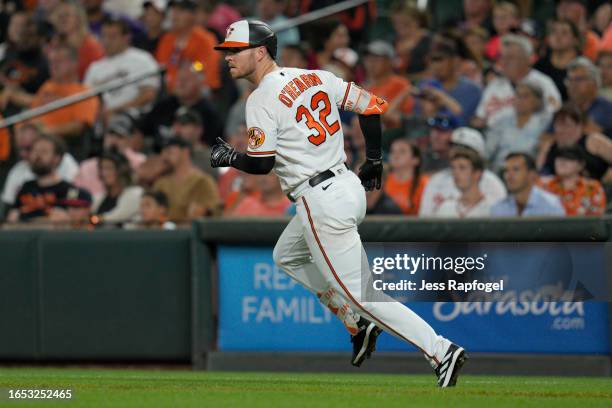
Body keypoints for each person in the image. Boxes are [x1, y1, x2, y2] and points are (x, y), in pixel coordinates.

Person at [210, 19, 467, 387]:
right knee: (286, 255)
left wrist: (230, 157)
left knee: (366, 295)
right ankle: (355, 322)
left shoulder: (261, 98)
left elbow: (262, 162)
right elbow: (373, 106)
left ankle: (441, 350)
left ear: (261, 51)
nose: (229, 57)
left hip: (320, 200)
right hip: (346, 185)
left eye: (236, 50)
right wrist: (375, 159)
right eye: (227, 51)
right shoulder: (317, 76)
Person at [28, 45, 100, 160]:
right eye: (51, 62)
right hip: (36, 145)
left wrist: (45, 131)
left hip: (65, 149)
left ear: (74, 63)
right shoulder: (47, 86)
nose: (54, 66)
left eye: (59, 61)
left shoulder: (84, 92)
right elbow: (31, 115)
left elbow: (79, 127)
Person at [474, 34, 561, 128]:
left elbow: (552, 113)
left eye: (511, 58)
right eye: (502, 57)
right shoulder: (495, 85)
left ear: (527, 60)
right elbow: (480, 117)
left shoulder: (543, 83)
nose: (504, 62)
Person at [84, 17, 160, 120]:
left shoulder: (142, 59)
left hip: (134, 117)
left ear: (126, 38)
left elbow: (148, 95)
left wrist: (117, 110)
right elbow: (87, 100)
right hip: (103, 120)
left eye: (112, 37)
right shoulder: (95, 67)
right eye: (104, 36)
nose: (106, 41)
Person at [419, 127, 506, 216]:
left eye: (464, 148)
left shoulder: (492, 183)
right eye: (453, 146)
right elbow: (425, 218)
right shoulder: (436, 180)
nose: (457, 151)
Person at [7, 134, 92, 223]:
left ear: (57, 158)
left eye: (44, 151)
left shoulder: (70, 191)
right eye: (34, 151)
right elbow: (12, 217)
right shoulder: (26, 187)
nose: (37, 156)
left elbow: (65, 222)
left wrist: (25, 219)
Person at [137, 60, 222, 149]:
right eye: (178, 79)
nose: (180, 84)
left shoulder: (209, 114)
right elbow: (141, 133)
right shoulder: (164, 106)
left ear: (200, 83)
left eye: (186, 80)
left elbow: (209, 149)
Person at [2, 123, 79, 208]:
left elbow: (74, 196)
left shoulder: (66, 163)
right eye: (20, 148)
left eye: (28, 148)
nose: (23, 154)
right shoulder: (22, 179)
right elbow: (9, 208)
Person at [485, 79, 552, 172]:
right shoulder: (501, 122)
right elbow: (488, 151)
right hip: (500, 170)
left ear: (537, 101)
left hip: (527, 172)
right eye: (518, 95)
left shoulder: (545, 123)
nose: (520, 100)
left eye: (525, 96)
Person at [74, 114, 146, 198]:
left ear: (128, 141)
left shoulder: (140, 162)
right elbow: (76, 194)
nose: (114, 140)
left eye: (120, 136)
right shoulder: (87, 166)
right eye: (111, 134)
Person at [155, 0, 221, 91]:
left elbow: (206, 69)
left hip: (199, 93)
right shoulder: (167, 39)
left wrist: (193, 67)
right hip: (168, 92)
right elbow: (161, 67)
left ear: (193, 15)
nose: (175, 15)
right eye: (173, 10)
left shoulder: (205, 40)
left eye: (181, 11)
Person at [538, 104, 612, 182]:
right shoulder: (549, 146)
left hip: (597, 187)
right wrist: (543, 152)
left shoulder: (594, 141)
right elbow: (540, 172)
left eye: (567, 125)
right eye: (558, 125)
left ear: (579, 126)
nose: (561, 129)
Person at [154, 137, 220, 222]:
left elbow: (215, 212)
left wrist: (203, 211)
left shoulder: (203, 181)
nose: (165, 157)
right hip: (163, 233)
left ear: (185, 152)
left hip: (190, 232)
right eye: (163, 153)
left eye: (169, 152)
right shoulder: (161, 183)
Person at [491, 152, 565, 217]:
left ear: (532, 174)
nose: (509, 176)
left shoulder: (551, 206)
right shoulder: (499, 208)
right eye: (506, 170)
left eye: (516, 169)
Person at [539, 146, 606, 216]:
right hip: (548, 226)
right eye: (559, 158)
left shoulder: (592, 187)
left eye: (569, 159)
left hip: (583, 226)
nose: (562, 162)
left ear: (581, 165)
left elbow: (597, 219)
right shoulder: (543, 184)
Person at [48, 0, 105, 80]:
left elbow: (100, 73)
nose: (63, 20)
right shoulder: (54, 45)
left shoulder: (91, 46)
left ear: (78, 18)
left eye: (67, 16)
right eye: (59, 17)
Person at [434, 148, 493, 217]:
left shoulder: (491, 210)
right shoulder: (445, 208)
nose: (455, 172)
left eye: (462, 168)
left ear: (477, 173)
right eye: (453, 168)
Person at [534, 18, 581, 101]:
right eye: (553, 32)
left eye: (564, 33)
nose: (558, 36)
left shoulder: (583, 67)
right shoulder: (539, 66)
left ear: (575, 40)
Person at [91, 150, 143, 225]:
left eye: (108, 168)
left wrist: (96, 219)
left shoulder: (135, 193)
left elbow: (119, 216)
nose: (103, 173)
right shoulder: (98, 198)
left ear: (121, 170)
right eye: (101, 168)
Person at [565, 57, 612, 137]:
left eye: (579, 79)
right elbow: (545, 137)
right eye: (570, 80)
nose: (573, 85)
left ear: (594, 83)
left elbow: (593, 133)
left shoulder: (607, 109)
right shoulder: (566, 109)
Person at [384, 138, 427, 215]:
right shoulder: (381, 181)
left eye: (402, 151)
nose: (395, 155)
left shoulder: (425, 184)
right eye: (392, 151)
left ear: (415, 159)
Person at [171, 106, 216, 179]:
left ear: (198, 129)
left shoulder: (211, 158)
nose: (177, 130)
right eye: (175, 125)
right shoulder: (167, 155)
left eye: (183, 124)